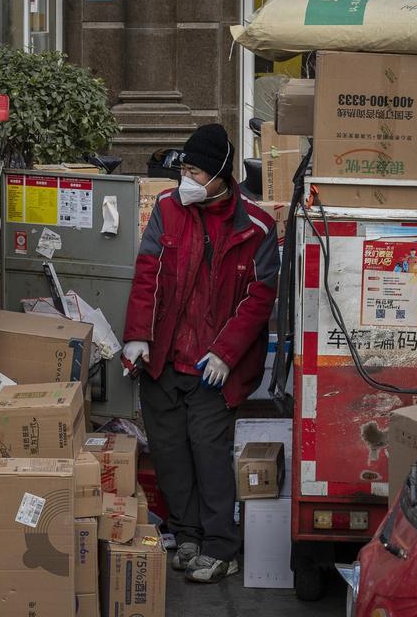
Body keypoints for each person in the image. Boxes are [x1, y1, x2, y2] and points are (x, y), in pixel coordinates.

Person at [122, 123, 280, 584]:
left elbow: (259, 297)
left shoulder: (255, 226)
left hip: (214, 368)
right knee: (170, 453)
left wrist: (226, 353)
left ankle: (221, 548)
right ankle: (187, 537)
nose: (185, 179)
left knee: (209, 454)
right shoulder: (168, 210)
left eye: (194, 171)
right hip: (165, 357)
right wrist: (138, 336)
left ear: (219, 174)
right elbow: (148, 270)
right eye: (183, 170)